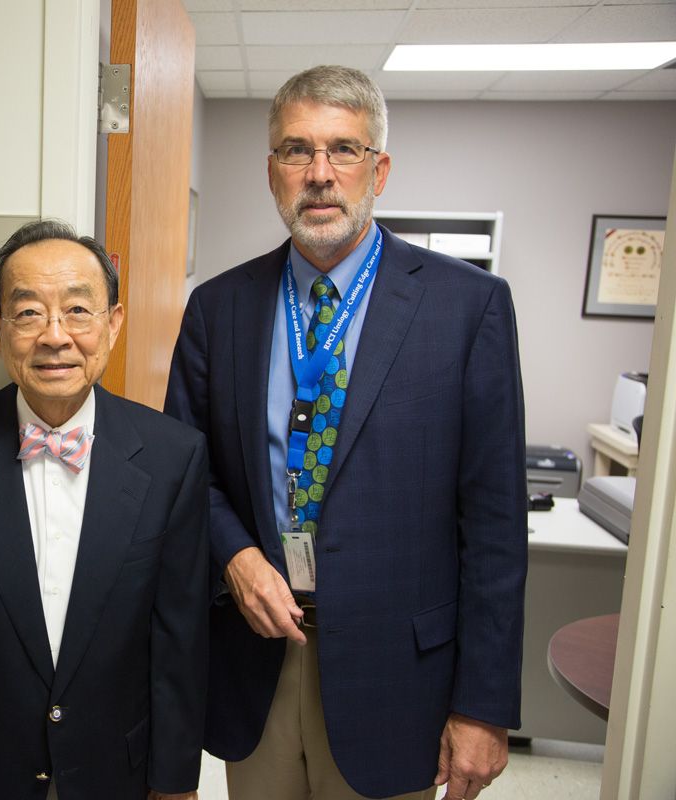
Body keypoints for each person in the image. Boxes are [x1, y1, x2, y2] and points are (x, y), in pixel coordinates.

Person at [165, 65, 527, 800]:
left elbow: (494, 524)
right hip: (258, 653)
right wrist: (234, 555)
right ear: (273, 172)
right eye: (297, 151)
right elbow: (185, 472)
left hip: (399, 671)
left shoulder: (468, 308)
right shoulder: (218, 308)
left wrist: (483, 707)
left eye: (345, 150)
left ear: (379, 169)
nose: (320, 174)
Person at [0, 219, 208, 800]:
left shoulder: (173, 457)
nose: (55, 336)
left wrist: (177, 783)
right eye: (29, 312)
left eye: (79, 311)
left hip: (121, 776)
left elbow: (179, 642)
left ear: (113, 324)